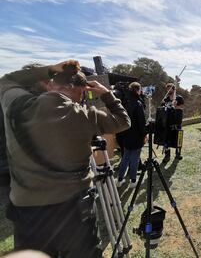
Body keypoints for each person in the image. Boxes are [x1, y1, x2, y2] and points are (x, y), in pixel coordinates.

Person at [0, 61, 130, 258]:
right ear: (72, 88)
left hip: (28, 214)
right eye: (81, 94)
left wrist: (51, 69)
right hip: (74, 211)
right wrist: (105, 93)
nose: (81, 99)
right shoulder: (84, 115)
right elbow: (123, 121)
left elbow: (7, 80)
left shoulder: (16, 105)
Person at [117, 82, 147, 189]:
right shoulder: (137, 104)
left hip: (125, 134)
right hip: (136, 136)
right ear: (137, 90)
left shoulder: (124, 101)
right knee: (134, 158)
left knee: (125, 157)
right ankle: (133, 181)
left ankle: (120, 179)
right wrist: (144, 134)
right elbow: (141, 122)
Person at [161, 83, 184, 163]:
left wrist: (175, 106)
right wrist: (163, 105)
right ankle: (167, 155)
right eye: (167, 89)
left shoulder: (179, 97)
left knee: (178, 137)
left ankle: (178, 154)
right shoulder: (166, 99)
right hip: (168, 121)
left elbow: (182, 107)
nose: (168, 90)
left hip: (177, 120)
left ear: (173, 89)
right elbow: (163, 109)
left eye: (169, 88)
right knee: (166, 138)